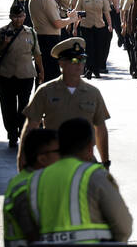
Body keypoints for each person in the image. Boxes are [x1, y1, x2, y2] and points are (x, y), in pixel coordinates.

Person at [12, 117, 132, 244]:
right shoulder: (96, 176)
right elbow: (123, 226)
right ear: (90, 148)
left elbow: (29, 230)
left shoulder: (35, 180)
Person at [19, 37, 110, 167]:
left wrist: (105, 162)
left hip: (84, 163)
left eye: (82, 60)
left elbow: (100, 130)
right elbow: (30, 128)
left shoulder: (93, 93)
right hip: (54, 162)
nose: (79, 64)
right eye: (74, 60)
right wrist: (23, 162)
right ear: (61, 63)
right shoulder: (45, 91)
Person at [0, 1, 45, 148]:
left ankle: (22, 131)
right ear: (10, 17)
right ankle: (11, 133)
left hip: (26, 75)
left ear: (25, 16)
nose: (18, 20)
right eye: (15, 17)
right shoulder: (2, 32)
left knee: (24, 105)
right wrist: (4, 43)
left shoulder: (31, 32)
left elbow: (38, 54)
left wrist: (41, 72)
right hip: (6, 75)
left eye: (20, 16)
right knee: (7, 106)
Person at [2, 128, 58, 247]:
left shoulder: (34, 180)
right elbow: (33, 236)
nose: (62, 155)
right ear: (42, 159)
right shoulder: (25, 188)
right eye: (58, 151)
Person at [29, 0, 80, 83]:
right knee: (51, 75)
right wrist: (72, 19)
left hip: (39, 38)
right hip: (49, 40)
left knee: (41, 74)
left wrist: (68, 17)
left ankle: (40, 98)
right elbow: (57, 23)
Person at [74, 0, 111, 79]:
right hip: (86, 26)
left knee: (99, 48)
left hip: (99, 26)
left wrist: (110, 24)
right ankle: (89, 69)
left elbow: (106, 12)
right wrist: (75, 27)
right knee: (88, 48)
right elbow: (78, 13)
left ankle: (96, 69)